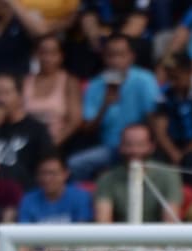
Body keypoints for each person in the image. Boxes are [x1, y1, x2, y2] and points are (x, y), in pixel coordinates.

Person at [69, 34, 160, 181]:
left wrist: (143, 145)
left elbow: (154, 119)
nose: (116, 61)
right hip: (110, 148)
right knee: (75, 164)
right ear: (104, 58)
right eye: (111, 56)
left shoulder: (145, 80)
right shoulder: (95, 85)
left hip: (141, 147)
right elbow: (87, 128)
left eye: (121, 55)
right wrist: (104, 105)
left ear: (131, 57)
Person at [94, 123, 182, 223]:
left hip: (158, 237)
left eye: (140, 145)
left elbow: (170, 223)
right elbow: (103, 223)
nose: (134, 150)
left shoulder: (169, 176)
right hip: (120, 237)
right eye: (128, 145)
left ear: (151, 146)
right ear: (120, 147)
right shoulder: (107, 179)